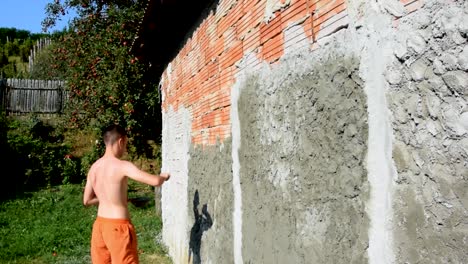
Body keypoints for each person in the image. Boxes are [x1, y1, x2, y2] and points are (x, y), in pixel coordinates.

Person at [83, 124, 170, 264]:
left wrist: (117, 198)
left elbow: (86, 200)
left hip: (100, 226)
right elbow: (155, 181)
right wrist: (164, 176)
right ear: (120, 141)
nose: (125, 149)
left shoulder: (94, 167)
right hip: (118, 228)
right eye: (125, 144)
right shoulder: (122, 165)